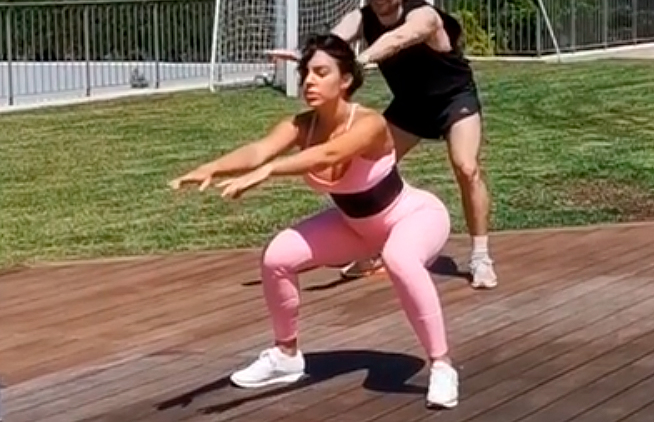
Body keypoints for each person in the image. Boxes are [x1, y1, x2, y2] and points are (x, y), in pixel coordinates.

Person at [169, 34, 459, 409]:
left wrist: (269, 171)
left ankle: (441, 365)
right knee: (277, 256)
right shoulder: (301, 125)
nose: (309, 80)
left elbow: (330, 154)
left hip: (414, 217)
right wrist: (211, 168)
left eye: (321, 72)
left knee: (399, 258)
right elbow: (259, 150)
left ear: (346, 80)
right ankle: (286, 354)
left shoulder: (369, 123)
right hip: (355, 227)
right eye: (306, 72)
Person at [268, 0, 497, 290]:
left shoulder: (424, 15)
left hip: (453, 100)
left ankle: (480, 257)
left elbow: (398, 39)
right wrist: (309, 56)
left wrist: (358, 61)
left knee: (466, 167)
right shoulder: (362, 18)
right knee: (359, 168)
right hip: (410, 107)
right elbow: (334, 43)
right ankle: (372, 247)